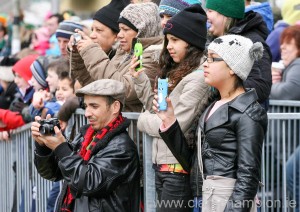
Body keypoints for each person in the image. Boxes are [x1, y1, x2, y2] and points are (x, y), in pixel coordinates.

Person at [156, 34, 267, 211]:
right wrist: (170, 122)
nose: (205, 64)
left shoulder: (249, 112)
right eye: (207, 58)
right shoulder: (212, 105)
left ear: (232, 68)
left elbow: (248, 175)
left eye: (213, 59)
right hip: (203, 196)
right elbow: (192, 162)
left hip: (227, 199)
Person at [130, 4, 210, 211]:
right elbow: (157, 110)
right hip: (163, 165)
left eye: (175, 40)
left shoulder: (198, 78)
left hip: (177, 170)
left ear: (191, 43)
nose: (169, 46)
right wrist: (139, 79)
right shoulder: (175, 72)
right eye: (167, 40)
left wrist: (142, 120)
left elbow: (173, 125)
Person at [32, 79, 140, 211]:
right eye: (86, 106)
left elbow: (89, 182)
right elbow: (52, 173)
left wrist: (61, 148)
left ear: (115, 107)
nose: (87, 113)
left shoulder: (122, 147)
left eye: (94, 106)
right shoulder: (85, 135)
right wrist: (43, 146)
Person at [71, 2, 162, 112]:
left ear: (142, 31)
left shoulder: (153, 56)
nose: (119, 35)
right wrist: (78, 55)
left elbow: (123, 89)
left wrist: (91, 51)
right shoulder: (123, 53)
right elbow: (95, 85)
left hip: (132, 127)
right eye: (120, 29)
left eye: (125, 29)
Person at [205, 0, 272, 109]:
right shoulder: (215, 40)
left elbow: (261, 86)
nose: (206, 16)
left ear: (225, 15)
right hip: (222, 114)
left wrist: (224, 88)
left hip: (241, 119)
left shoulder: (251, 42)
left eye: (210, 11)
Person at [269, 25, 300, 100]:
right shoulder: (292, 65)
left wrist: (269, 85)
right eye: (282, 43)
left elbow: (289, 91)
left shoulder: (298, 64)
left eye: (288, 43)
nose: (282, 47)